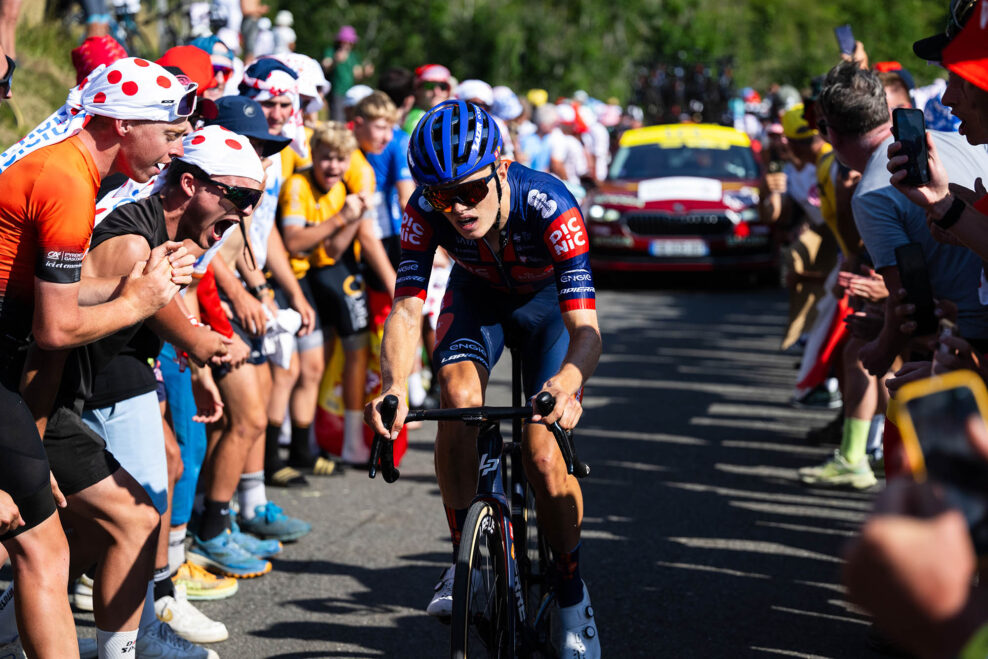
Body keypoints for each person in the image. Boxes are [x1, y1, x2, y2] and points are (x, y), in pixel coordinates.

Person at [365, 100, 602, 658]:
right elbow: (404, 309)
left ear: (499, 168)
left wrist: (567, 383)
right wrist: (395, 384)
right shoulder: (425, 208)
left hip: (549, 310)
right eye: (442, 196)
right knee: (458, 400)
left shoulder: (550, 205)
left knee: (544, 455)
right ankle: (462, 561)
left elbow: (586, 329)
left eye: (469, 191)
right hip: (478, 300)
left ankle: (571, 596)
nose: (457, 209)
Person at [0, 57, 197, 658]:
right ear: (121, 125)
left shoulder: (77, 170)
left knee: (132, 517)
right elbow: (56, 331)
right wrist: (139, 301)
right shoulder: (66, 178)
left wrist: (127, 289)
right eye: (168, 135)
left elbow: (44, 297)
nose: (175, 152)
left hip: (13, 374)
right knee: (42, 548)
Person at [800, 61, 988, 486]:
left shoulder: (870, 192)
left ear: (830, 132)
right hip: (968, 323)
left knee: (952, 495)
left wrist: (881, 349)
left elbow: (910, 305)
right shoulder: (949, 139)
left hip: (970, 338)